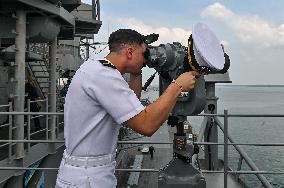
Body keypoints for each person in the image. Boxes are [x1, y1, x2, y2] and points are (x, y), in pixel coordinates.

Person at [55, 29, 198, 188]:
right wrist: (177, 85)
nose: (146, 59)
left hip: (89, 172)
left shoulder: (96, 69)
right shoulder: (103, 76)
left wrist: (137, 72)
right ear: (130, 51)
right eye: (144, 53)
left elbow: (131, 106)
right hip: (87, 177)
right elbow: (146, 125)